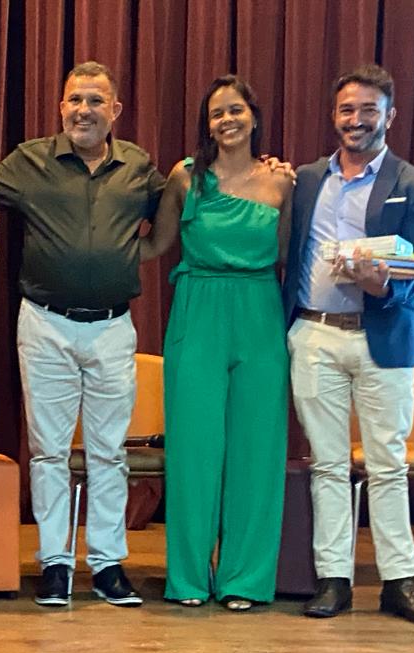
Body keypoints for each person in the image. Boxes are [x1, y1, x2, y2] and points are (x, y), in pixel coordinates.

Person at [0, 61, 164, 607]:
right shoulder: (29, 161)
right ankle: (56, 563)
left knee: (109, 452)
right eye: (75, 100)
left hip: (112, 327)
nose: (84, 110)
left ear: (116, 110)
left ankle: (107, 565)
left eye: (95, 101)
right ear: (61, 106)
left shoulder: (137, 166)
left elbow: (182, 205)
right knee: (49, 451)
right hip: (45, 323)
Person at [282, 64, 414, 627]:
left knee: (388, 465)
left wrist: (388, 285)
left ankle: (400, 583)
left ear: (389, 116)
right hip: (314, 334)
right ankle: (334, 580)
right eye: (347, 110)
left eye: (368, 110)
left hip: (385, 337)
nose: (356, 120)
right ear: (334, 116)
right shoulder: (307, 179)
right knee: (326, 465)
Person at [143, 76, 292, 611]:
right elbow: (156, 245)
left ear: (254, 116)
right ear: (206, 125)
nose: (227, 120)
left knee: (257, 449)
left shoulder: (282, 182)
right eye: (216, 113)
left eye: (235, 110)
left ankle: (245, 578)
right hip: (198, 308)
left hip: (259, 310)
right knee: (193, 448)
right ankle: (188, 577)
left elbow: (287, 255)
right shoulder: (185, 177)